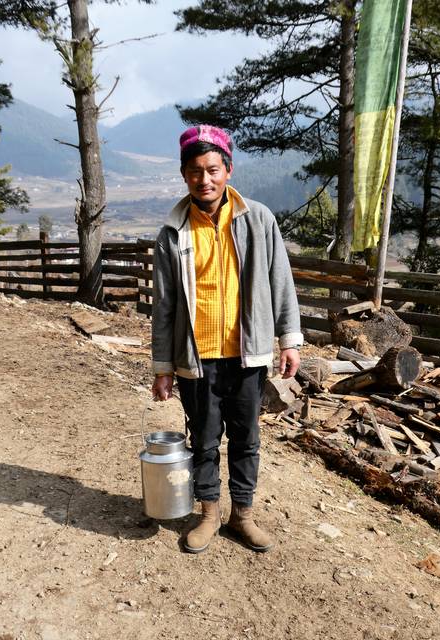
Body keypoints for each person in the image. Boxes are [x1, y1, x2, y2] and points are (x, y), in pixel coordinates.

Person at [151, 124, 302, 554]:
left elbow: (281, 283)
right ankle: (209, 515)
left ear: (228, 170)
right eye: (196, 171)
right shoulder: (173, 232)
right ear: (184, 175)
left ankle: (244, 516)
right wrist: (162, 367)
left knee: (246, 437)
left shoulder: (258, 220)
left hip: (247, 354)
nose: (205, 179)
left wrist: (288, 340)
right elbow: (163, 308)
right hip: (195, 358)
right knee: (203, 437)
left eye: (213, 169)